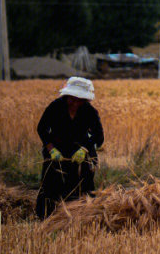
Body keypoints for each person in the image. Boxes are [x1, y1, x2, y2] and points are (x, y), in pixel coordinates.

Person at [35, 76, 103, 218]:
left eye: (78, 99)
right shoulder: (55, 107)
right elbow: (42, 128)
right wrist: (51, 148)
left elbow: (99, 137)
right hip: (56, 150)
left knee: (83, 184)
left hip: (80, 152)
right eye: (72, 97)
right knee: (50, 184)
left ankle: (83, 216)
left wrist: (84, 149)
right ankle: (46, 217)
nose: (74, 101)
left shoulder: (90, 112)